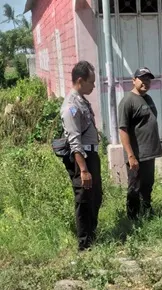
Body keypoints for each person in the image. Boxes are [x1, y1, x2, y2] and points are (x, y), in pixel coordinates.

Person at [60, 61, 102, 251]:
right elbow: (74, 140)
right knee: (84, 199)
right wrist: (83, 170)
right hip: (82, 158)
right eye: (91, 82)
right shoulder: (71, 106)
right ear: (80, 80)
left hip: (91, 155)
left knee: (95, 196)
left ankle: (92, 235)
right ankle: (85, 244)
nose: (93, 85)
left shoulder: (82, 100)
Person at [118, 67, 162, 220]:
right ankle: (132, 220)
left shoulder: (148, 99)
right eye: (142, 78)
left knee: (148, 185)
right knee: (134, 188)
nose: (146, 82)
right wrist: (131, 156)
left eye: (148, 79)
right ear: (134, 80)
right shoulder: (127, 101)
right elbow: (123, 130)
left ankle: (147, 213)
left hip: (150, 152)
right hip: (137, 155)